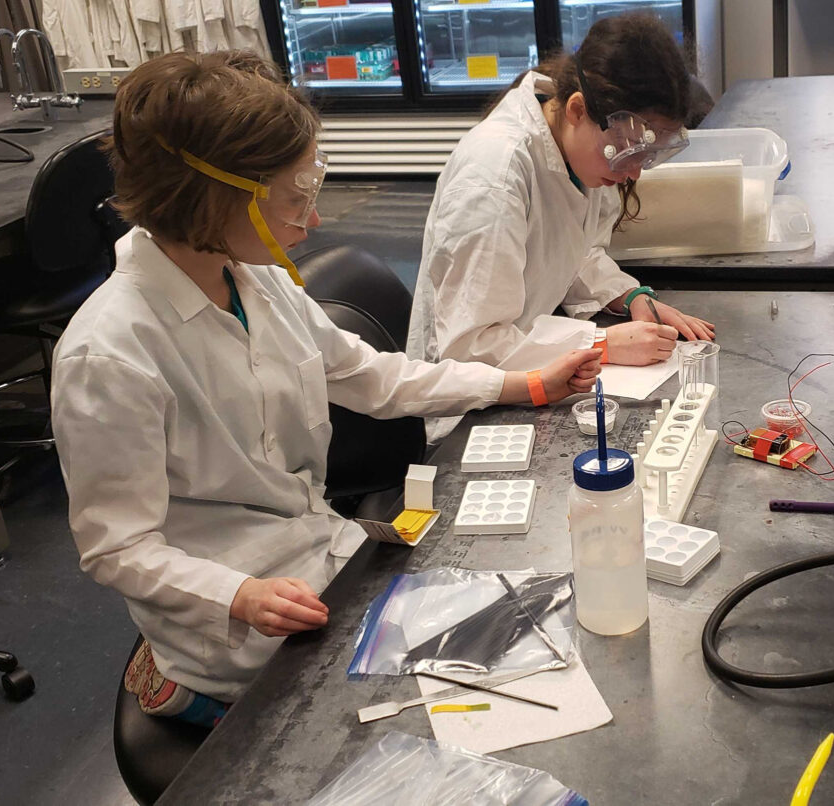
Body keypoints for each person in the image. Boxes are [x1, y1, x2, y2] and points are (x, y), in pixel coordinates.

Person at [50, 50, 601, 727]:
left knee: (528, 629)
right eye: (294, 198)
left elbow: (370, 376)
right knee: (451, 711)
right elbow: (117, 548)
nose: (311, 222)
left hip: (316, 551)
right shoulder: (109, 352)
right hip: (237, 612)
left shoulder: (259, 282)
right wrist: (240, 594)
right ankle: (179, 682)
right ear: (213, 198)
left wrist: (522, 385)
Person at [407, 12, 714, 438]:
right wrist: (600, 346)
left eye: (647, 156)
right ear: (576, 109)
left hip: (531, 376)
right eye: (628, 154)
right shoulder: (494, 177)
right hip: (468, 412)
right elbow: (469, 347)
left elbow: (575, 247)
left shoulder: (581, 150)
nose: (634, 174)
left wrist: (629, 295)